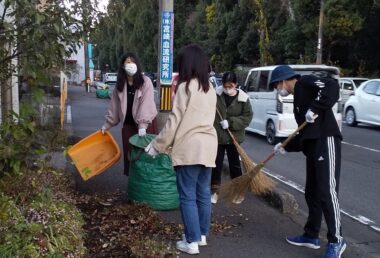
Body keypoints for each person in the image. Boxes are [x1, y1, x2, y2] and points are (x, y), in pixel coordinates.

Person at [144, 44, 217, 255]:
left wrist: (157, 146)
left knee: (186, 196)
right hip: (208, 147)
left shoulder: (186, 87)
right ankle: (201, 235)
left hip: (190, 147)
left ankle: (191, 242)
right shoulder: (209, 88)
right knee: (203, 192)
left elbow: (174, 122)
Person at [271, 65, 346, 258]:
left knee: (327, 192)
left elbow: (332, 86)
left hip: (326, 140)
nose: (277, 89)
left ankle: (336, 240)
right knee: (312, 192)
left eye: (276, 85)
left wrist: (315, 107)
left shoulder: (306, 81)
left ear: (283, 80)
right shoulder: (297, 98)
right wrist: (284, 145)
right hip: (313, 145)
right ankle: (311, 235)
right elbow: (304, 132)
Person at [101, 53, 157, 175]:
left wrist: (142, 125)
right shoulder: (120, 85)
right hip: (128, 126)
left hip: (146, 125)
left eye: (133, 61)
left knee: (147, 157)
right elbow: (114, 108)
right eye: (127, 62)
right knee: (131, 156)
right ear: (122, 66)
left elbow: (146, 104)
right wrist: (107, 125)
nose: (131, 64)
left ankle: (147, 188)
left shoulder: (145, 82)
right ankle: (133, 186)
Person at [211, 71, 253, 204]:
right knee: (215, 166)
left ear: (236, 84)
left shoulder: (243, 98)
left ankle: (238, 192)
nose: (228, 88)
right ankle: (214, 192)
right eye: (225, 86)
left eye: (231, 86)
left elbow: (247, 117)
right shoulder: (215, 95)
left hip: (234, 138)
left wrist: (231, 122)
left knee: (235, 166)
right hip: (217, 137)